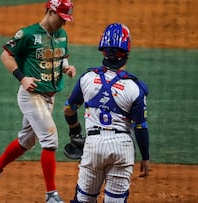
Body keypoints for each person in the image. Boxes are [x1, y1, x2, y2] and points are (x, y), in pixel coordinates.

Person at [0, 0, 76, 202]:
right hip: (31, 96)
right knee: (50, 140)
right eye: (61, 18)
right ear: (50, 11)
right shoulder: (27, 34)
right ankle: (52, 195)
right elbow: (5, 56)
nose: (64, 23)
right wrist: (22, 78)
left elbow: (62, 56)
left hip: (49, 98)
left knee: (27, 141)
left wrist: (67, 67)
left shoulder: (62, 35)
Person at [63, 23, 150, 203]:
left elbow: (69, 109)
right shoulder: (135, 87)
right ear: (126, 53)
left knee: (84, 200)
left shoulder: (87, 79)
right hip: (122, 148)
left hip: (93, 146)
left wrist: (74, 131)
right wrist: (146, 158)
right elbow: (141, 126)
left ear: (103, 51)